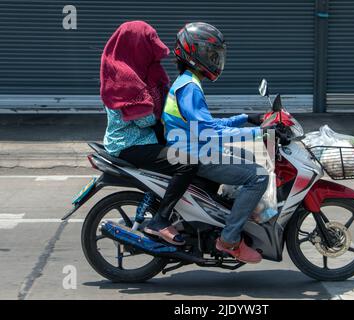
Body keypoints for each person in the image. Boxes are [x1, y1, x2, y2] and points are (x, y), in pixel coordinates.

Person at [162, 22, 268, 264]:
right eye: (210, 54)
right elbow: (209, 133)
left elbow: (207, 126)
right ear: (194, 53)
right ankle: (229, 240)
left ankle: (238, 212)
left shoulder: (188, 82)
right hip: (194, 154)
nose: (214, 59)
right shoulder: (190, 88)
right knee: (258, 176)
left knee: (250, 161)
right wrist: (257, 135)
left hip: (195, 149)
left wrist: (246, 119)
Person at [100, 21, 198, 246]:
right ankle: (161, 220)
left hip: (147, 139)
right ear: (136, 47)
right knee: (188, 163)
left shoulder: (141, 71)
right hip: (130, 145)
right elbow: (144, 119)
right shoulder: (121, 77)